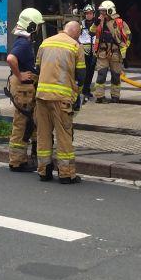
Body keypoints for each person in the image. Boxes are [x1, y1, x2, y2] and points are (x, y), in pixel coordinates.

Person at [34, 19, 84, 183]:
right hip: (62, 99)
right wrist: (78, 96)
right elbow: (81, 75)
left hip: (41, 97)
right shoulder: (76, 46)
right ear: (76, 32)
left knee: (43, 134)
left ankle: (44, 171)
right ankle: (66, 174)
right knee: (64, 136)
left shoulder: (45, 43)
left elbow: (38, 68)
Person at [6, 7, 42, 173]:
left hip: (25, 90)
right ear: (31, 26)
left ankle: (20, 160)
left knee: (28, 123)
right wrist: (20, 76)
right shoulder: (23, 43)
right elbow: (11, 58)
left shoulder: (24, 41)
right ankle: (17, 162)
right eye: (38, 25)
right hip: (23, 90)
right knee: (22, 124)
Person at [91, 0, 130, 103]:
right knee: (101, 75)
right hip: (102, 53)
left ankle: (115, 96)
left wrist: (124, 53)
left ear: (110, 11)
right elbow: (91, 32)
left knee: (116, 76)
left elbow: (128, 37)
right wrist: (96, 23)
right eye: (101, 11)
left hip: (116, 54)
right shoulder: (99, 22)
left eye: (104, 11)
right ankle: (99, 97)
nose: (102, 13)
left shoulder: (120, 23)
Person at [78, 4, 97, 102]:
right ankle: (82, 91)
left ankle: (87, 90)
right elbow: (77, 36)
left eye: (90, 13)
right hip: (84, 51)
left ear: (93, 14)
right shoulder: (81, 24)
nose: (88, 15)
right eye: (87, 14)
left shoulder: (97, 24)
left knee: (91, 72)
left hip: (94, 51)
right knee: (84, 72)